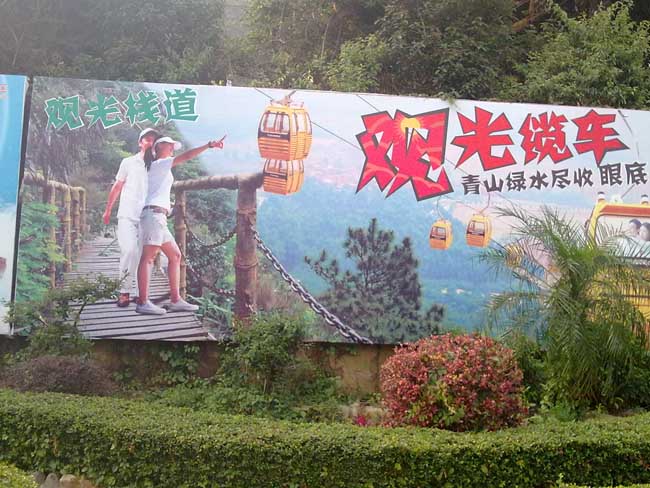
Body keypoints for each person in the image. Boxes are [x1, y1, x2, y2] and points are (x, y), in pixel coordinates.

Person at [135, 135, 225, 315]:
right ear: (159, 147)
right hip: (153, 216)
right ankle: (143, 302)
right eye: (169, 146)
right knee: (149, 258)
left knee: (175, 256)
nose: (172, 149)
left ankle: (175, 300)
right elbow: (187, 156)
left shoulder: (158, 167)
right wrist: (208, 145)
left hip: (158, 217)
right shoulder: (159, 164)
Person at [103, 128, 160, 307]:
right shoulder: (128, 162)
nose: (150, 142)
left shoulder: (158, 165)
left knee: (143, 255)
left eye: (154, 140)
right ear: (140, 142)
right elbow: (117, 186)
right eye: (147, 139)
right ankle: (124, 291)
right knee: (129, 251)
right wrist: (108, 210)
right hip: (127, 214)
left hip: (147, 216)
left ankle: (139, 293)